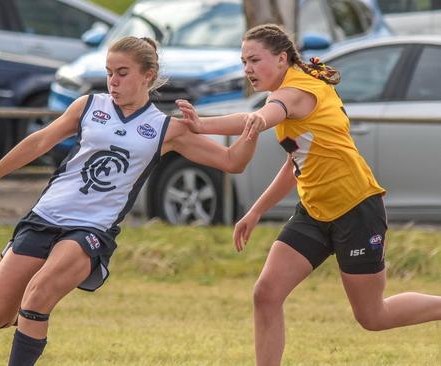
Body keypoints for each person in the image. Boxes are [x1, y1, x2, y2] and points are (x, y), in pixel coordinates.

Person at [0, 36, 260, 366]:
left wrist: (253, 129)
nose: (113, 81)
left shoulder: (165, 128)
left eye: (122, 73)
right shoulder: (88, 106)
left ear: (148, 74)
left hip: (91, 229)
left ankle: (30, 323)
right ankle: (28, 322)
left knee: (38, 295)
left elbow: (232, 162)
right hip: (45, 216)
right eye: (109, 72)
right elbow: (40, 141)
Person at [176, 23, 441, 366]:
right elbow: (295, 163)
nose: (248, 70)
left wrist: (203, 124)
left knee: (373, 317)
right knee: (266, 294)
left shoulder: (296, 91)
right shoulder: (289, 90)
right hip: (314, 213)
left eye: (254, 60)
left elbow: (260, 116)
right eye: (243, 62)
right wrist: (255, 211)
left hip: (356, 208)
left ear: (282, 58)